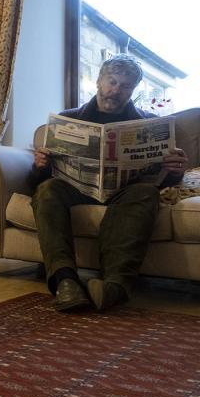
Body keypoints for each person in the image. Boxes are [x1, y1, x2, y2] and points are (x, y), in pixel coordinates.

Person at [31, 54, 188, 313]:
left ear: (133, 89)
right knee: (47, 190)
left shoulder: (148, 124)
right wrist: (41, 165)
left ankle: (114, 287)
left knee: (145, 192)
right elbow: (40, 178)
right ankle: (65, 281)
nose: (115, 90)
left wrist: (175, 171)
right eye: (112, 82)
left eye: (125, 86)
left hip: (125, 192)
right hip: (77, 188)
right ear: (99, 81)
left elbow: (161, 182)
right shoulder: (68, 119)